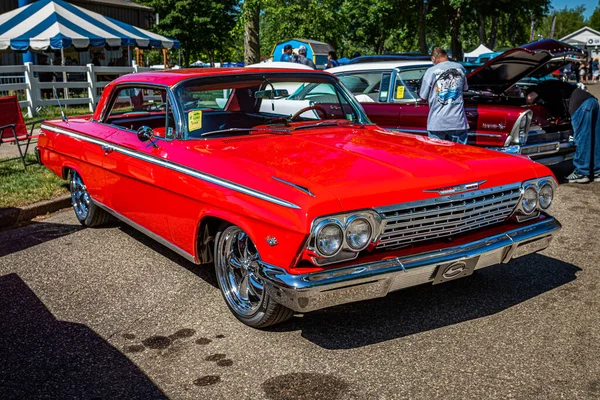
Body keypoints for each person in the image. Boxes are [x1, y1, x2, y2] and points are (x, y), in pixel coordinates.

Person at [418, 46, 469, 144]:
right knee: (459, 157)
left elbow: (423, 96)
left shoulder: (431, 71)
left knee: (437, 157)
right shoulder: (460, 68)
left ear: (433, 58)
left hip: (437, 123)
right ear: (447, 56)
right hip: (458, 121)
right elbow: (465, 88)